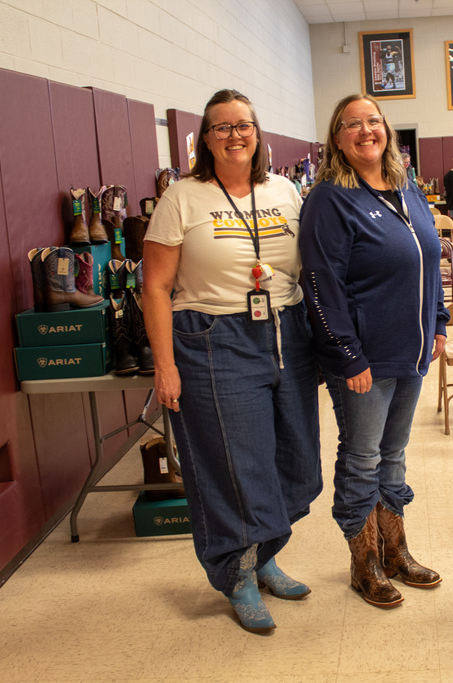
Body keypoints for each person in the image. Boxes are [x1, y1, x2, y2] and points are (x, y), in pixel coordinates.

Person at [142, 89, 322, 635]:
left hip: (286, 331)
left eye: (244, 125)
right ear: (205, 138)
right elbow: (155, 285)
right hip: (213, 335)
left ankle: (264, 550)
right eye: (221, 127)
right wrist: (165, 365)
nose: (235, 135)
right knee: (232, 464)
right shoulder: (183, 196)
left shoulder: (286, 190)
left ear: (258, 132)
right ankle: (238, 573)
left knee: (294, 458)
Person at [300, 93, 449, 609]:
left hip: (411, 354)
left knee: (393, 455)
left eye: (373, 121)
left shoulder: (407, 189)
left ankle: (395, 552)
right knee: (362, 458)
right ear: (336, 139)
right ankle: (363, 564)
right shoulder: (329, 199)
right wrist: (347, 354)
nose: (366, 131)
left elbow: (431, 261)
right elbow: (321, 284)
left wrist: (440, 323)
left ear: (387, 129)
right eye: (352, 125)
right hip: (364, 359)